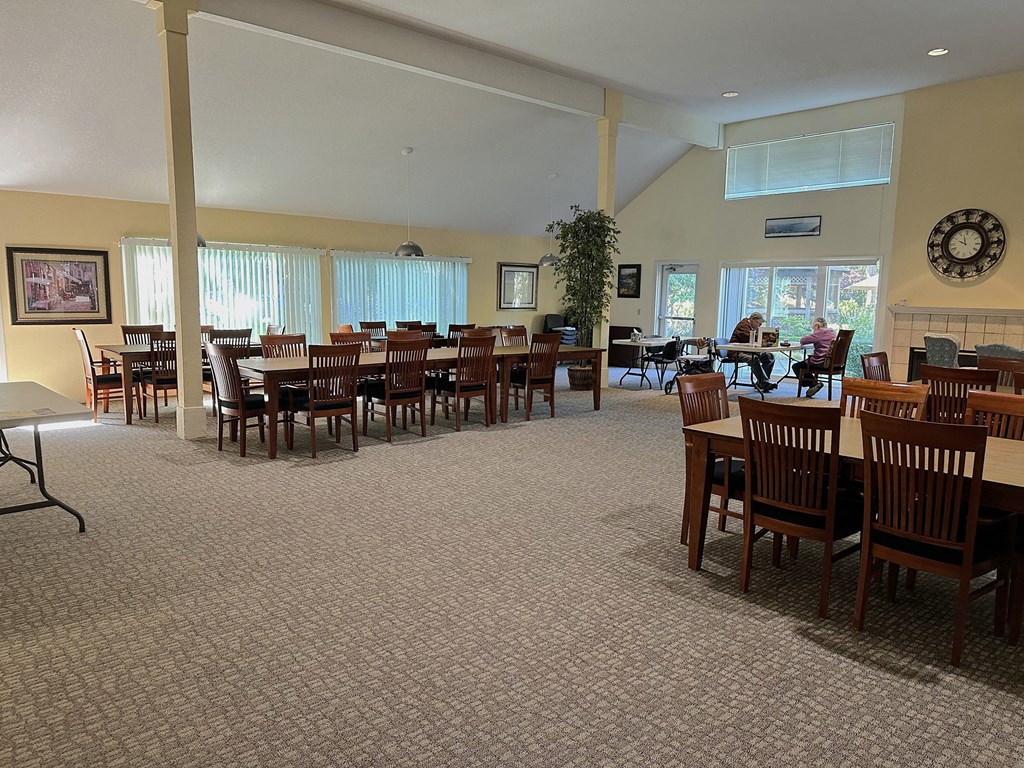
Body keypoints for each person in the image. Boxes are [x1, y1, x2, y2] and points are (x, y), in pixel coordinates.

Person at [727, 312, 776, 392]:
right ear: (752, 320)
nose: (760, 325)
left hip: (748, 351)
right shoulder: (743, 325)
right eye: (759, 323)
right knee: (753, 359)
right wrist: (764, 337)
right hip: (736, 352)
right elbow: (749, 338)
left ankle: (761, 381)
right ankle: (764, 383)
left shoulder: (751, 327)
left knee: (769, 356)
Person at [792, 316, 837, 398]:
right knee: (804, 364)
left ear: (817, 325)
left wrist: (814, 333)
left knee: (796, 366)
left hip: (820, 362)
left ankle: (813, 383)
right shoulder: (833, 332)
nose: (813, 329)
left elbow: (803, 340)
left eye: (813, 327)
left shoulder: (820, 332)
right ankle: (812, 385)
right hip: (832, 362)